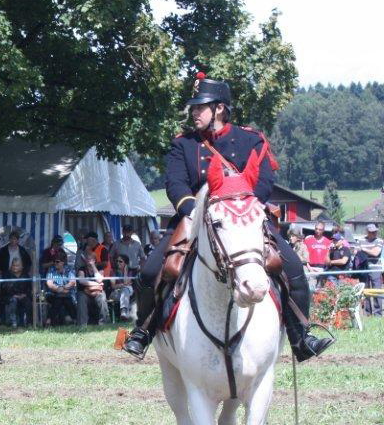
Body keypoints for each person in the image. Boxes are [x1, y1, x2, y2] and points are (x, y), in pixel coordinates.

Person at [122, 73, 332, 362]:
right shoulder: (183, 144)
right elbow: (176, 184)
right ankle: (142, 331)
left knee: (292, 267)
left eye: (200, 107)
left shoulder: (251, 140)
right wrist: (195, 211)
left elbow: (264, 182)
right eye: (194, 107)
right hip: (195, 218)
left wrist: (240, 208)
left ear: (219, 108)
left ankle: (301, 336)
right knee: (151, 271)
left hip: (245, 219)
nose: (194, 112)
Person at [44, 250, 77, 325]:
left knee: (61, 300)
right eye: (54, 261)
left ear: (63, 262)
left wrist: (62, 288)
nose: (55, 263)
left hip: (67, 293)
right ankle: (74, 319)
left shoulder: (69, 269)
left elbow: (72, 282)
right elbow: (49, 284)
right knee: (61, 299)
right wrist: (59, 290)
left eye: (57, 262)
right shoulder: (51, 270)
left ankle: (49, 320)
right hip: (53, 293)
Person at [76, 249, 109, 325]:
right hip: (85, 292)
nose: (89, 260)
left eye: (91, 259)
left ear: (95, 260)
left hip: (97, 292)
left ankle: (103, 323)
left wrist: (93, 266)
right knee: (81, 297)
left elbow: (99, 279)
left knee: (102, 297)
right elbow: (81, 281)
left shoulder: (100, 269)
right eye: (87, 258)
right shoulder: (82, 269)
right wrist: (96, 284)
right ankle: (82, 324)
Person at [357, 223, 383, 315]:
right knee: (365, 290)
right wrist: (366, 251)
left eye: (375, 231)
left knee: (376, 291)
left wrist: (363, 249)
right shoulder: (360, 240)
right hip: (364, 268)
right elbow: (356, 252)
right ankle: (367, 313)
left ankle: (378, 313)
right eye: (372, 232)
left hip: (376, 268)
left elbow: (376, 253)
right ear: (367, 232)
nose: (374, 233)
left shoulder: (379, 241)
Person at [1, 258, 32, 327]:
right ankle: (13, 322)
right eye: (13, 265)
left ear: (22, 267)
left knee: (28, 302)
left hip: (23, 296)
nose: (15, 267)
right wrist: (14, 295)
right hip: (11, 296)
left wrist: (25, 294)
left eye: (17, 266)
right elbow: (4, 288)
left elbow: (29, 288)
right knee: (13, 301)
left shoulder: (25, 275)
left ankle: (28, 322)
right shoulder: (7, 275)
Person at [110, 255, 135, 321]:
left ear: (125, 263)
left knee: (125, 290)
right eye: (117, 261)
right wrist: (123, 285)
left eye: (120, 261)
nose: (118, 263)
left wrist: (125, 271)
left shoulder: (130, 272)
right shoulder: (113, 272)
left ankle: (124, 313)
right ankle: (124, 312)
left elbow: (126, 282)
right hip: (116, 293)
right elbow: (113, 286)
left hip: (126, 293)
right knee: (126, 290)